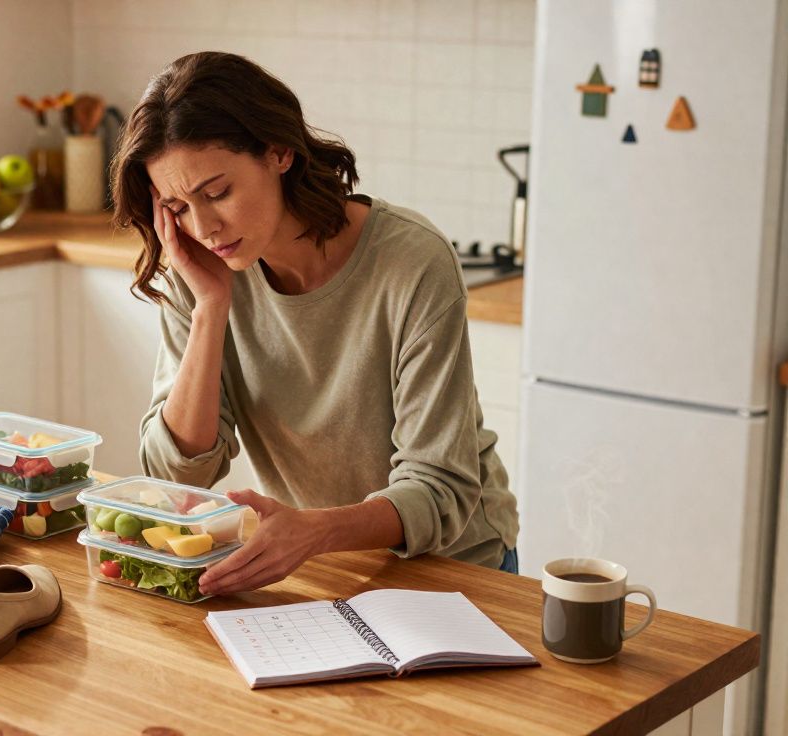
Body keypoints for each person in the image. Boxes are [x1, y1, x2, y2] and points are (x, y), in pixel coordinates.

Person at [108, 51, 520, 597]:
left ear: (279, 152)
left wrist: (313, 532)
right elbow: (177, 476)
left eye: (217, 193)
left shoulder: (412, 262)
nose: (203, 226)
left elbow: (439, 486)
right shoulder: (200, 269)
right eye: (178, 207)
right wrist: (210, 309)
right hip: (323, 565)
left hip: (455, 567)